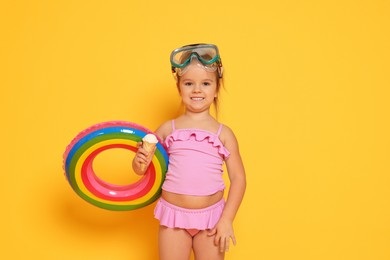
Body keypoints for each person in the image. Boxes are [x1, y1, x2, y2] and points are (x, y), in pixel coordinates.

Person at [132, 43, 246, 260]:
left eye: (205, 83)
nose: (197, 90)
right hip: (173, 218)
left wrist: (226, 219)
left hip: (212, 219)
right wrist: (139, 162)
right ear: (179, 87)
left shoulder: (224, 134)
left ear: (215, 89)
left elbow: (239, 179)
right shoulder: (167, 130)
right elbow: (142, 170)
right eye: (188, 83)